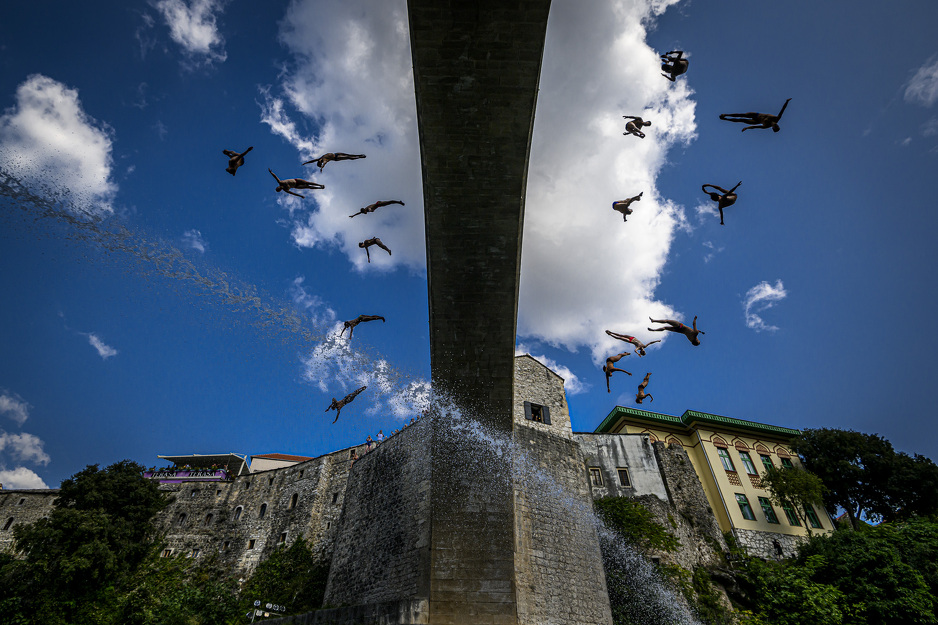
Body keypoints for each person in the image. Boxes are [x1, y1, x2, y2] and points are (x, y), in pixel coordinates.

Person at [719, 98, 791, 132]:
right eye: (777, 125)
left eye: (775, 126)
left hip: (756, 121)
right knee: (743, 115)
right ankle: (726, 114)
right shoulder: (777, 118)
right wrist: (786, 102)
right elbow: (782, 110)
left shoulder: (766, 126)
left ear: (773, 128)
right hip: (757, 115)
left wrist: (747, 128)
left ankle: (725, 119)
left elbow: (755, 127)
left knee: (742, 120)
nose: (776, 125)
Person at [302, 152, 366, 172]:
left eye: (318, 162)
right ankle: (359, 157)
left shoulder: (320, 158)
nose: (318, 161)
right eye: (319, 163)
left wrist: (306, 163)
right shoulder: (324, 160)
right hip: (336, 158)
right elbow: (325, 163)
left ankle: (358, 155)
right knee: (348, 157)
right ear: (320, 163)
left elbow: (312, 161)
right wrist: (322, 167)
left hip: (335, 153)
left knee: (348, 155)